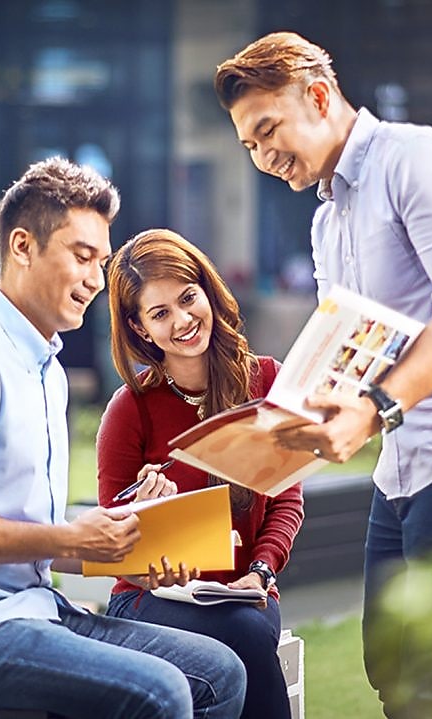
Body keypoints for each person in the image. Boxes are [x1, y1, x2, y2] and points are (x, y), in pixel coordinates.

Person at [215, 33, 432, 718]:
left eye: (269, 130)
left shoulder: (419, 161)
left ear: (318, 94)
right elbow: (344, 352)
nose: (262, 156)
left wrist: (372, 410)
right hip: (403, 465)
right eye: (249, 145)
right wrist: (283, 428)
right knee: (392, 666)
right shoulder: (327, 222)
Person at [0, 158, 246, 719]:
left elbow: (44, 542)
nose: (95, 280)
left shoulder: (47, 371)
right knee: (162, 692)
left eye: (100, 262)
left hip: (37, 609)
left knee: (219, 673)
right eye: (82, 257)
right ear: (22, 247)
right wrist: (70, 540)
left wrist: (130, 554)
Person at [97, 228, 304, 719]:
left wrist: (261, 571)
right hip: (150, 600)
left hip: (245, 592)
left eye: (188, 298)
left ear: (207, 291)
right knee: (245, 637)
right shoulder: (130, 411)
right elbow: (109, 544)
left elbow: (287, 499)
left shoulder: (267, 383)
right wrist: (143, 518)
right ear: (142, 329)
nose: (184, 320)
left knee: (247, 628)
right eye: (160, 313)